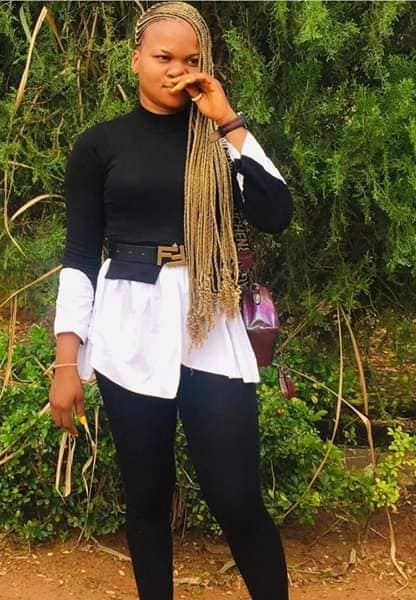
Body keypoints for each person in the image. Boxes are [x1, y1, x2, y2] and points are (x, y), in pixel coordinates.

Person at [49, 2, 293, 599]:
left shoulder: (219, 141)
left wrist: (228, 120)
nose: (177, 71)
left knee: (237, 495)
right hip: (129, 330)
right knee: (147, 500)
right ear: (136, 59)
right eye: (163, 57)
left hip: (209, 324)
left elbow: (276, 212)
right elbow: (80, 255)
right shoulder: (100, 145)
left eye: (191, 60)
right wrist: (66, 359)